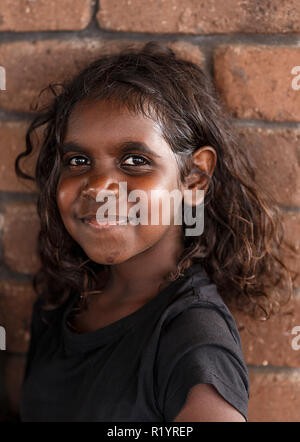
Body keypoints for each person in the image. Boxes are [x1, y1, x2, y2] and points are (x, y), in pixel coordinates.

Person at [14, 41, 294, 422]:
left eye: (134, 161)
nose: (97, 187)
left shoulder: (193, 343)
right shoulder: (62, 301)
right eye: (78, 160)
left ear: (195, 178)